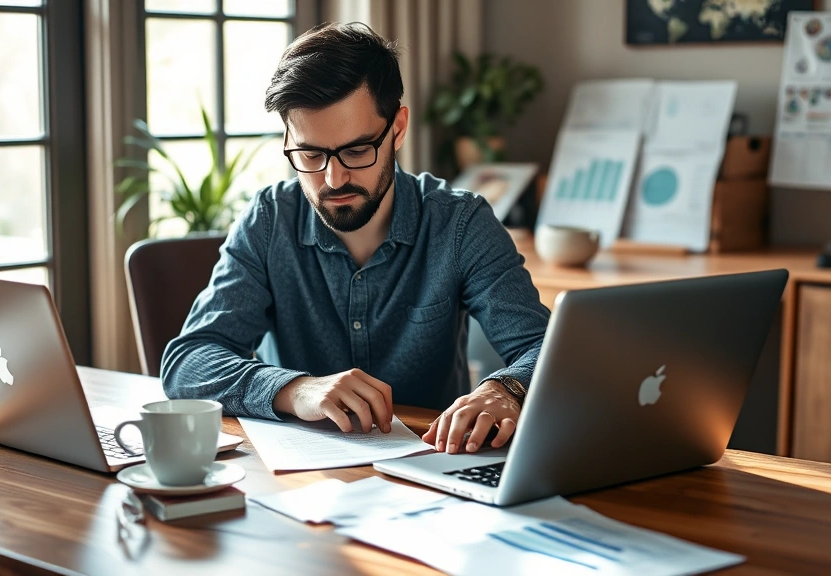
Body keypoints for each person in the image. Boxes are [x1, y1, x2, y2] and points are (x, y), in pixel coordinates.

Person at [162, 22, 549, 455]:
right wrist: (295, 390)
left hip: (435, 468)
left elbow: (545, 348)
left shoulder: (459, 223)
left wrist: (505, 388)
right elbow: (188, 363)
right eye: (310, 154)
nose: (333, 177)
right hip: (302, 486)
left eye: (357, 150)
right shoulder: (270, 220)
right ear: (288, 140)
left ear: (397, 129)